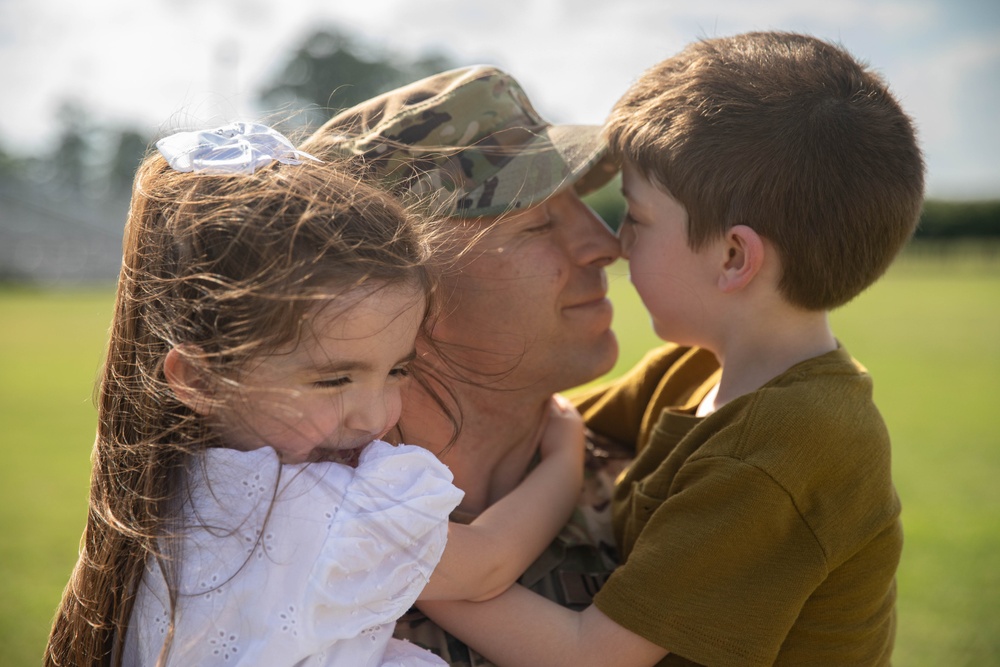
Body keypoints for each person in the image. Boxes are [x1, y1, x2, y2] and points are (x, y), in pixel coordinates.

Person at [416, 32, 925, 666]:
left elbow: (589, 658)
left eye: (636, 216)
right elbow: (549, 423)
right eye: (542, 221)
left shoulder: (791, 444)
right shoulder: (693, 372)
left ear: (734, 257)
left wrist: (410, 571)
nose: (616, 242)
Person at [43, 122, 589, 667]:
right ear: (200, 379)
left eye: (399, 370)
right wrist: (566, 458)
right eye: (333, 380)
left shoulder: (173, 493)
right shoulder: (311, 507)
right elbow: (489, 564)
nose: (374, 415)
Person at [299, 65, 627, 665]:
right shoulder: (290, 550)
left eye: (581, 203)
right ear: (396, 295)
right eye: (539, 222)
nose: (605, 244)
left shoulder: (662, 495)